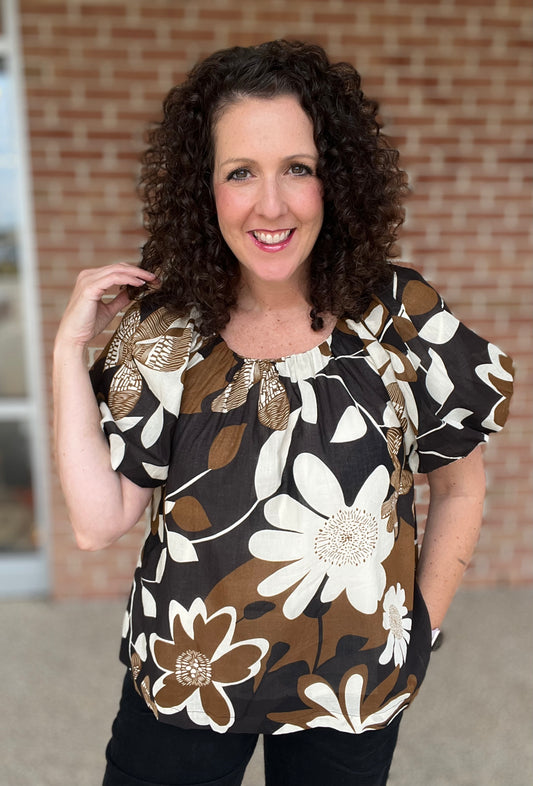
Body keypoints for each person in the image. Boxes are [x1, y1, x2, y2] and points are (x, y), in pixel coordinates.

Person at [53, 40, 514, 786]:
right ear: (204, 191)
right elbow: (96, 521)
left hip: (353, 686)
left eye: (297, 168)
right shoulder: (168, 328)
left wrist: (419, 629)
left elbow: (460, 486)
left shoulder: (401, 317)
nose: (271, 204)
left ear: (336, 179)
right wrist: (68, 348)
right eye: (241, 173)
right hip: (188, 675)